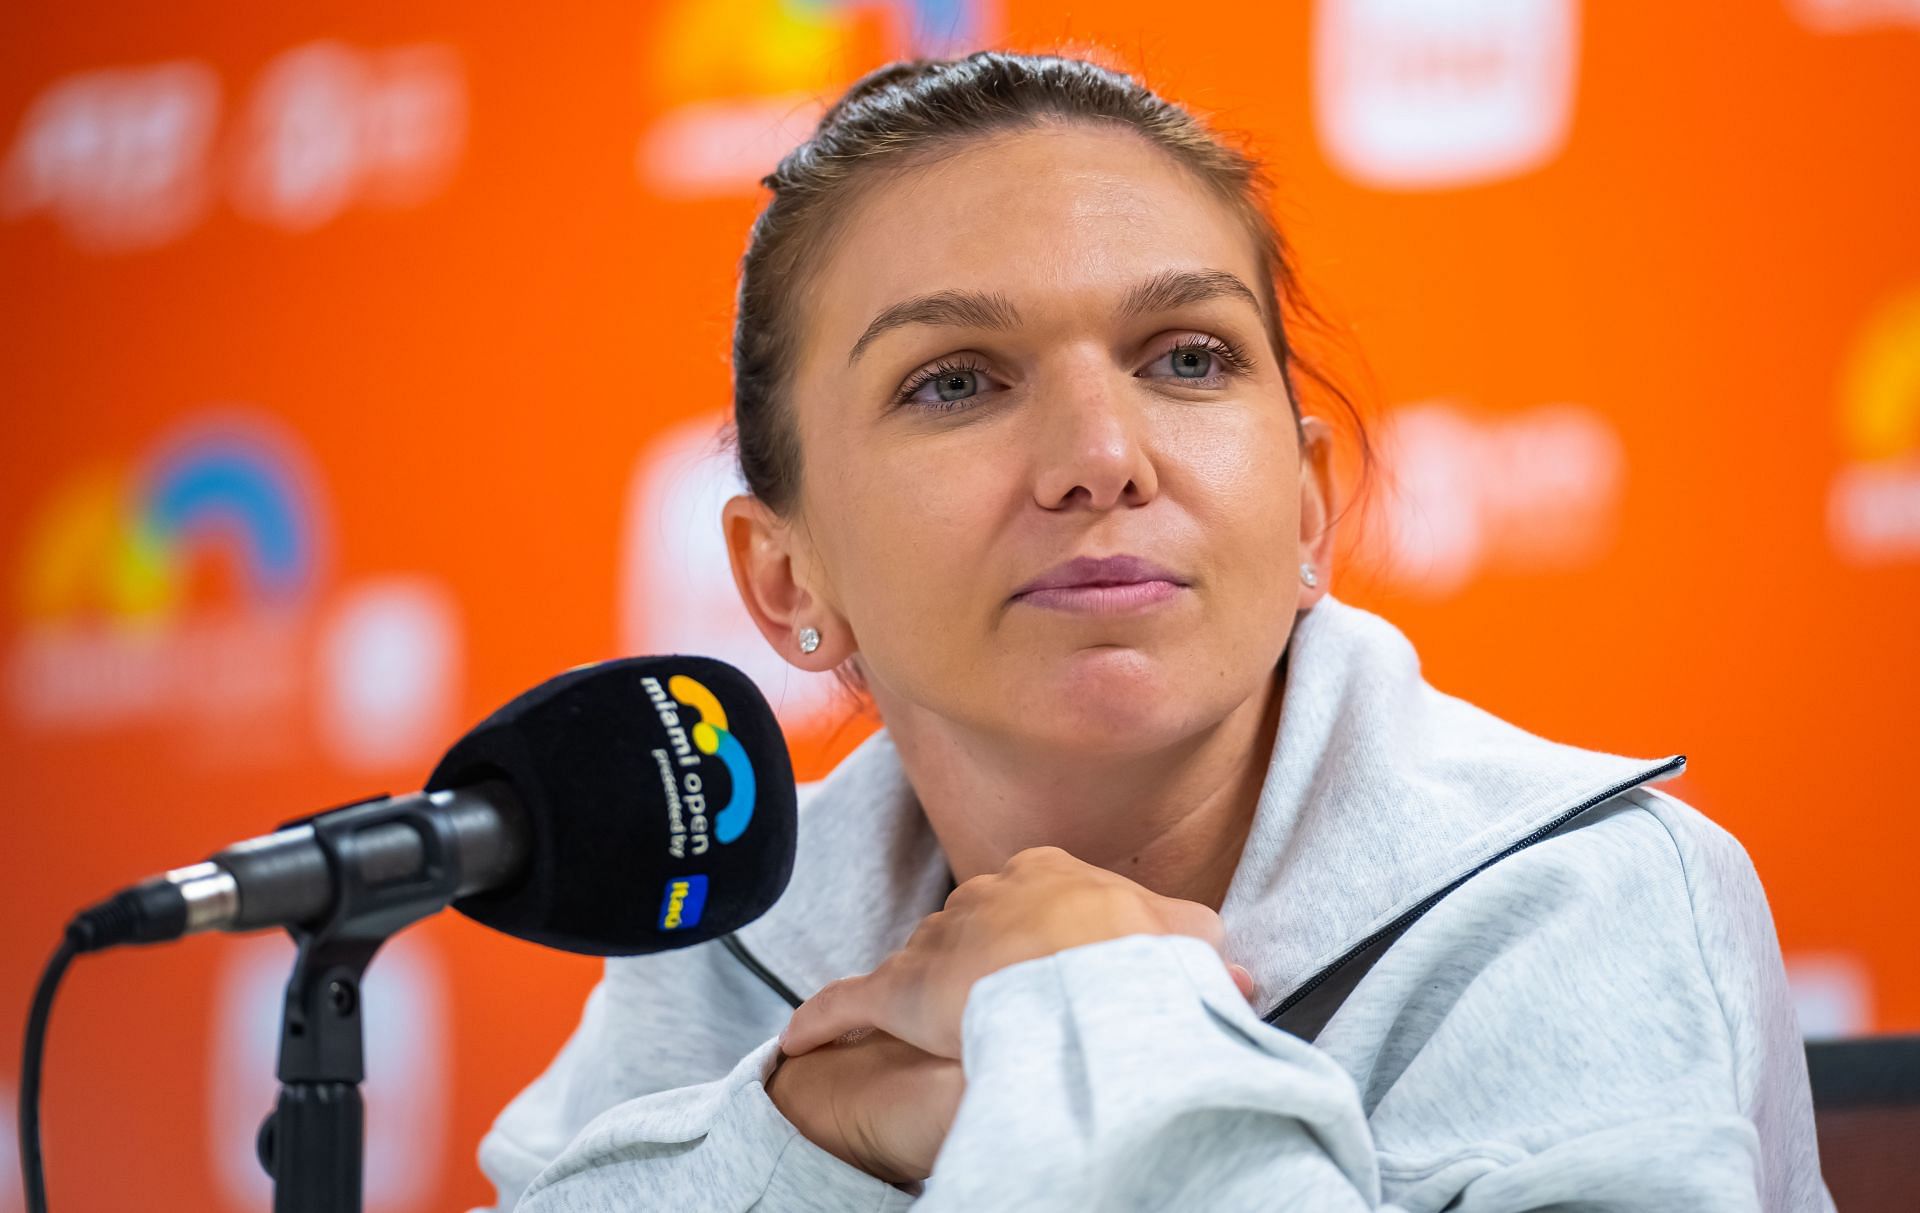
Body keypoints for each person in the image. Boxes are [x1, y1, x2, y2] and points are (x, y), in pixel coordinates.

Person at [474, 51, 1831, 1211]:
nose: (1102, 455)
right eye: (957, 381)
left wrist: (1096, 1002)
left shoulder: (1587, 894)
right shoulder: (724, 939)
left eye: (1187, 356)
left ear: (1306, 505)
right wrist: (823, 1133)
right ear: (784, 580)